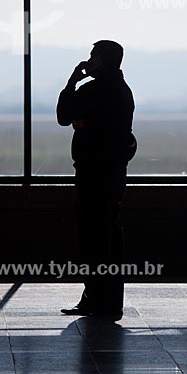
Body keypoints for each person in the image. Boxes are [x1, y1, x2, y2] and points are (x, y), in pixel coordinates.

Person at [56, 40, 137, 319]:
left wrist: (71, 83)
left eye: (93, 55)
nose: (88, 60)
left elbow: (64, 116)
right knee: (111, 237)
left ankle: (94, 298)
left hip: (92, 173)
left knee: (92, 237)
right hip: (114, 173)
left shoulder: (94, 90)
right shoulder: (123, 91)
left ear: (101, 60)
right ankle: (110, 300)